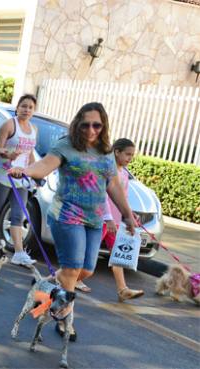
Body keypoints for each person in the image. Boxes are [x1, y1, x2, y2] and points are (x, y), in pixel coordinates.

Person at [9, 102, 137, 339]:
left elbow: (113, 185)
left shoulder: (106, 151)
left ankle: (45, 288)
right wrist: (25, 171)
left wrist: (127, 214)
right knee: (71, 269)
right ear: (78, 123)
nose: (91, 130)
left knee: (86, 270)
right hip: (67, 215)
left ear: (103, 125)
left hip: (94, 219)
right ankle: (64, 319)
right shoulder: (66, 145)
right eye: (86, 124)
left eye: (96, 125)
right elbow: (45, 165)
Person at [0, 94, 39, 266]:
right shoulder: (9, 125)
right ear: (17, 107)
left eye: (30, 107)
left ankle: (19, 253)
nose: (26, 110)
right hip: (2, 176)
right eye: (23, 106)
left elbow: (30, 153)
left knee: (19, 214)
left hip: (21, 178)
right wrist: (8, 156)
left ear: (34, 110)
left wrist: (35, 175)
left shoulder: (34, 129)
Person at [103, 138, 145, 302]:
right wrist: (108, 219)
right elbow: (104, 196)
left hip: (115, 222)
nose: (130, 158)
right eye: (127, 154)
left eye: (132, 155)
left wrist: (130, 214)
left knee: (118, 254)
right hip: (103, 220)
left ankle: (123, 289)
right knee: (87, 257)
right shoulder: (109, 169)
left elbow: (123, 198)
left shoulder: (124, 173)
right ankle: (66, 281)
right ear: (116, 151)